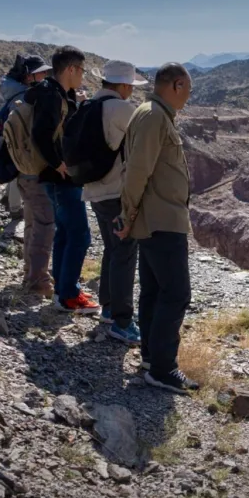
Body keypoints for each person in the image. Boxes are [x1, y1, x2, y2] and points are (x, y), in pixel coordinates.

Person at [115, 63, 199, 394]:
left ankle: (151, 359)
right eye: (188, 90)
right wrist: (126, 214)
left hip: (156, 220)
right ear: (176, 85)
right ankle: (164, 369)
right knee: (177, 293)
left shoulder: (151, 112)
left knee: (154, 291)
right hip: (161, 221)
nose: (188, 97)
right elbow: (137, 171)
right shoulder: (154, 117)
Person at [27, 45, 100, 314]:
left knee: (66, 233)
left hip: (56, 177)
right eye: (81, 70)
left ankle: (62, 292)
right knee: (80, 234)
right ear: (70, 69)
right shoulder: (50, 95)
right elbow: (41, 134)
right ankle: (69, 294)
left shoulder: (58, 93)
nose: (82, 75)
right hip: (59, 177)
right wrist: (58, 164)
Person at [82, 60, 146, 344]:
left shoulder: (88, 107)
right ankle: (122, 321)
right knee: (124, 253)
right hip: (116, 193)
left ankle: (108, 308)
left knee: (112, 248)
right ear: (122, 85)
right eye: (130, 86)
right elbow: (141, 147)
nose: (131, 91)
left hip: (93, 191)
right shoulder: (121, 109)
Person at [0, 55, 51, 220]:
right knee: (18, 170)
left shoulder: (10, 89)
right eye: (41, 73)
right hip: (17, 138)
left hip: (7, 136)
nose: (45, 76)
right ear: (29, 76)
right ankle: (15, 210)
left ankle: (8, 200)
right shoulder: (22, 95)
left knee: (13, 168)